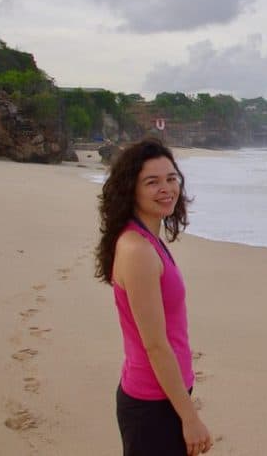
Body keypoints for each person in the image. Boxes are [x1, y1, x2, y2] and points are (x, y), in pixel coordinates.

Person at [95, 138, 214, 456]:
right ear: (130, 189)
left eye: (171, 178)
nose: (167, 188)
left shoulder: (148, 239)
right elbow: (155, 344)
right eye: (152, 181)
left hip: (165, 392)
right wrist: (189, 418)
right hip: (153, 402)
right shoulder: (138, 250)